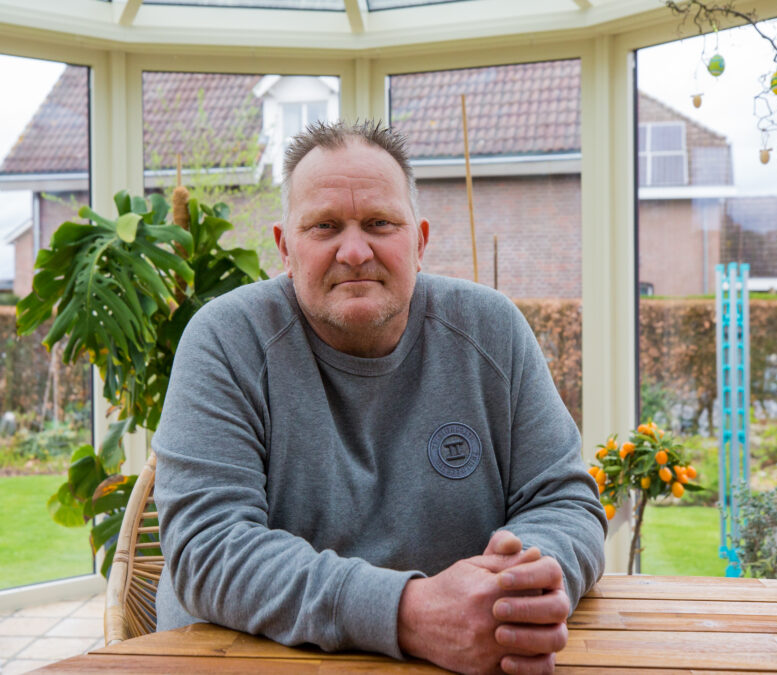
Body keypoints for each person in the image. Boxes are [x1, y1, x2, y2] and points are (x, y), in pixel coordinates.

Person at [153, 119, 607, 675]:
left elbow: (564, 502)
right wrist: (409, 613)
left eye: (379, 223)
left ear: (418, 241)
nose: (354, 250)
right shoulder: (226, 339)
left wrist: (517, 594)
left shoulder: (493, 331)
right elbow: (209, 548)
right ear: (285, 247)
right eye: (323, 226)